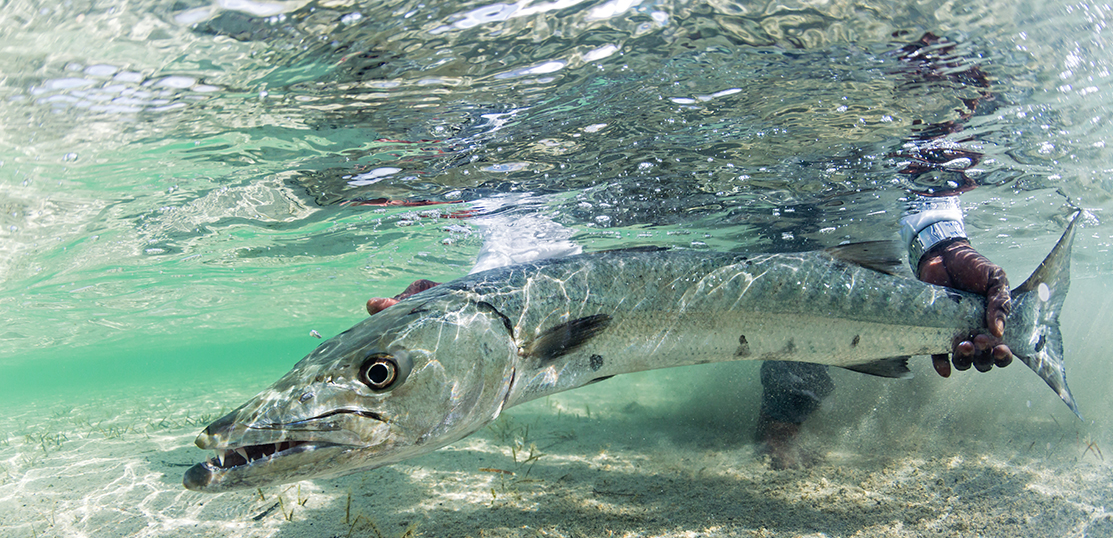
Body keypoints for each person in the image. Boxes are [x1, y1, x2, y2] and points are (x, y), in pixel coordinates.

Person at [360, 34, 1014, 468]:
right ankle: (784, 425)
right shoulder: (567, 58)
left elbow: (930, 131)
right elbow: (527, 213)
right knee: (780, 292)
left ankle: (781, 429)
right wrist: (477, 303)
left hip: (811, 185)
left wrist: (941, 239)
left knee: (793, 268)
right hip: (716, 187)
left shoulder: (870, 45)